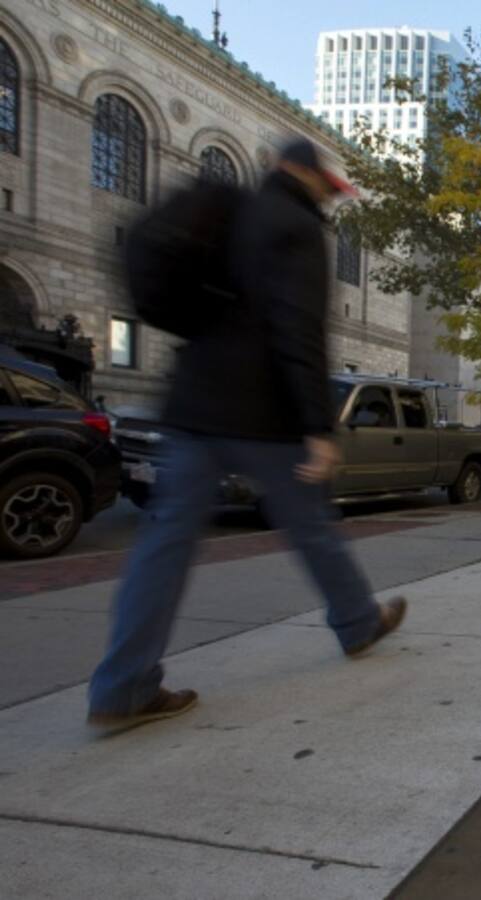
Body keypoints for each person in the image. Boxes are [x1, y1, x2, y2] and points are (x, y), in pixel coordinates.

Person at [87, 138, 407, 732]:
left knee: (163, 546)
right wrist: (318, 425)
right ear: (303, 173)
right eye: (326, 185)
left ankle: (122, 687)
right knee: (312, 527)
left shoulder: (227, 212)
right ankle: (358, 622)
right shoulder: (296, 227)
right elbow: (299, 329)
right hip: (264, 410)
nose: (327, 197)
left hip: (193, 401)